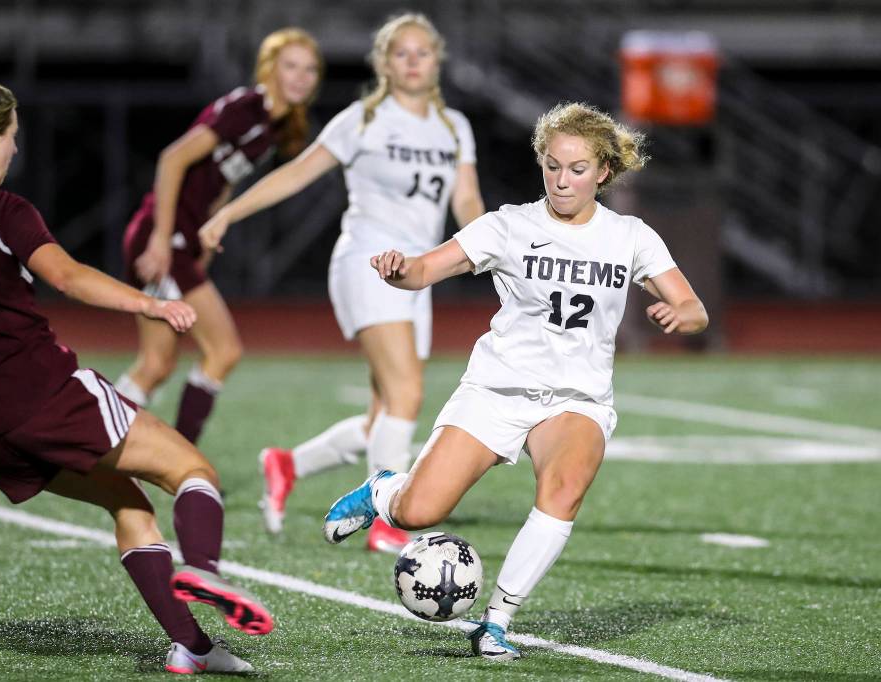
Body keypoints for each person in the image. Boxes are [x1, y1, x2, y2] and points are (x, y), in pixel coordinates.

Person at [0, 81, 274, 675]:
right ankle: (204, 571)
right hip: (44, 394)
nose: (15, 150)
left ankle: (194, 649)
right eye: (13, 138)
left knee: (128, 503)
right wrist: (151, 304)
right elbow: (70, 277)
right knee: (193, 472)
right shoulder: (1, 209)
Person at [322, 101, 709, 660]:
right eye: (552, 166)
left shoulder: (630, 236)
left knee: (565, 488)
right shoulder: (509, 225)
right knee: (417, 513)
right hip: (497, 390)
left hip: (576, 398)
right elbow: (426, 268)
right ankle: (382, 490)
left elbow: (694, 308)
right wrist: (399, 269)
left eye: (577, 169)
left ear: (603, 172)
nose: (562, 180)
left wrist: (681, 316)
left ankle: (497, 620)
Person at [199, 13, 485, 553]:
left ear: (437, 61)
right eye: (401, 53)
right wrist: (229, 214)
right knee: (406, 394)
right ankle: (387, 522)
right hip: (368, 261)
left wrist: (485, 248)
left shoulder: (454, 126)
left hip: (418, 273)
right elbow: (296, 172)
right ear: (384, 63)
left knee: (385, 414)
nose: (413, 62)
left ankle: (287, 465)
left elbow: (466, 199)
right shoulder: (361, 120)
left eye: (423, 52)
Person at [114, 29, 322, 448]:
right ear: (270, 68)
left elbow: (222, 183)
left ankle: (96, 447)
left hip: (179, 240)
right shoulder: (246, 108)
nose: (301, 77)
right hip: (163, 237)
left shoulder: (275, 125)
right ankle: (177, 455)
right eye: (291, 66)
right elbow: (172, 159)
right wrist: (161, 238)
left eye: (310, 69)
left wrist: (207, 235)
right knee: (223, 351)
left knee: (156, 364)